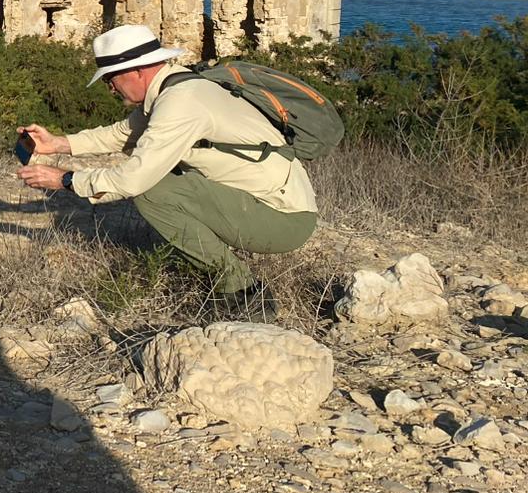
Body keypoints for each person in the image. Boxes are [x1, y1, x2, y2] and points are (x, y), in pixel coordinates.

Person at [17, 24, 318, 313]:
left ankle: (241, 291)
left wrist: (67, 180)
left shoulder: (180, 103)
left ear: (136, 70)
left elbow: (133, 179)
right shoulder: (177, 86)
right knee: (164, 181)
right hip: (272, 204)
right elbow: (123, 134)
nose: (109, 88)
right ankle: (225, 276)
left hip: (284, 218)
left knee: (152, 190)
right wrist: (56, 144)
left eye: (110, 78)